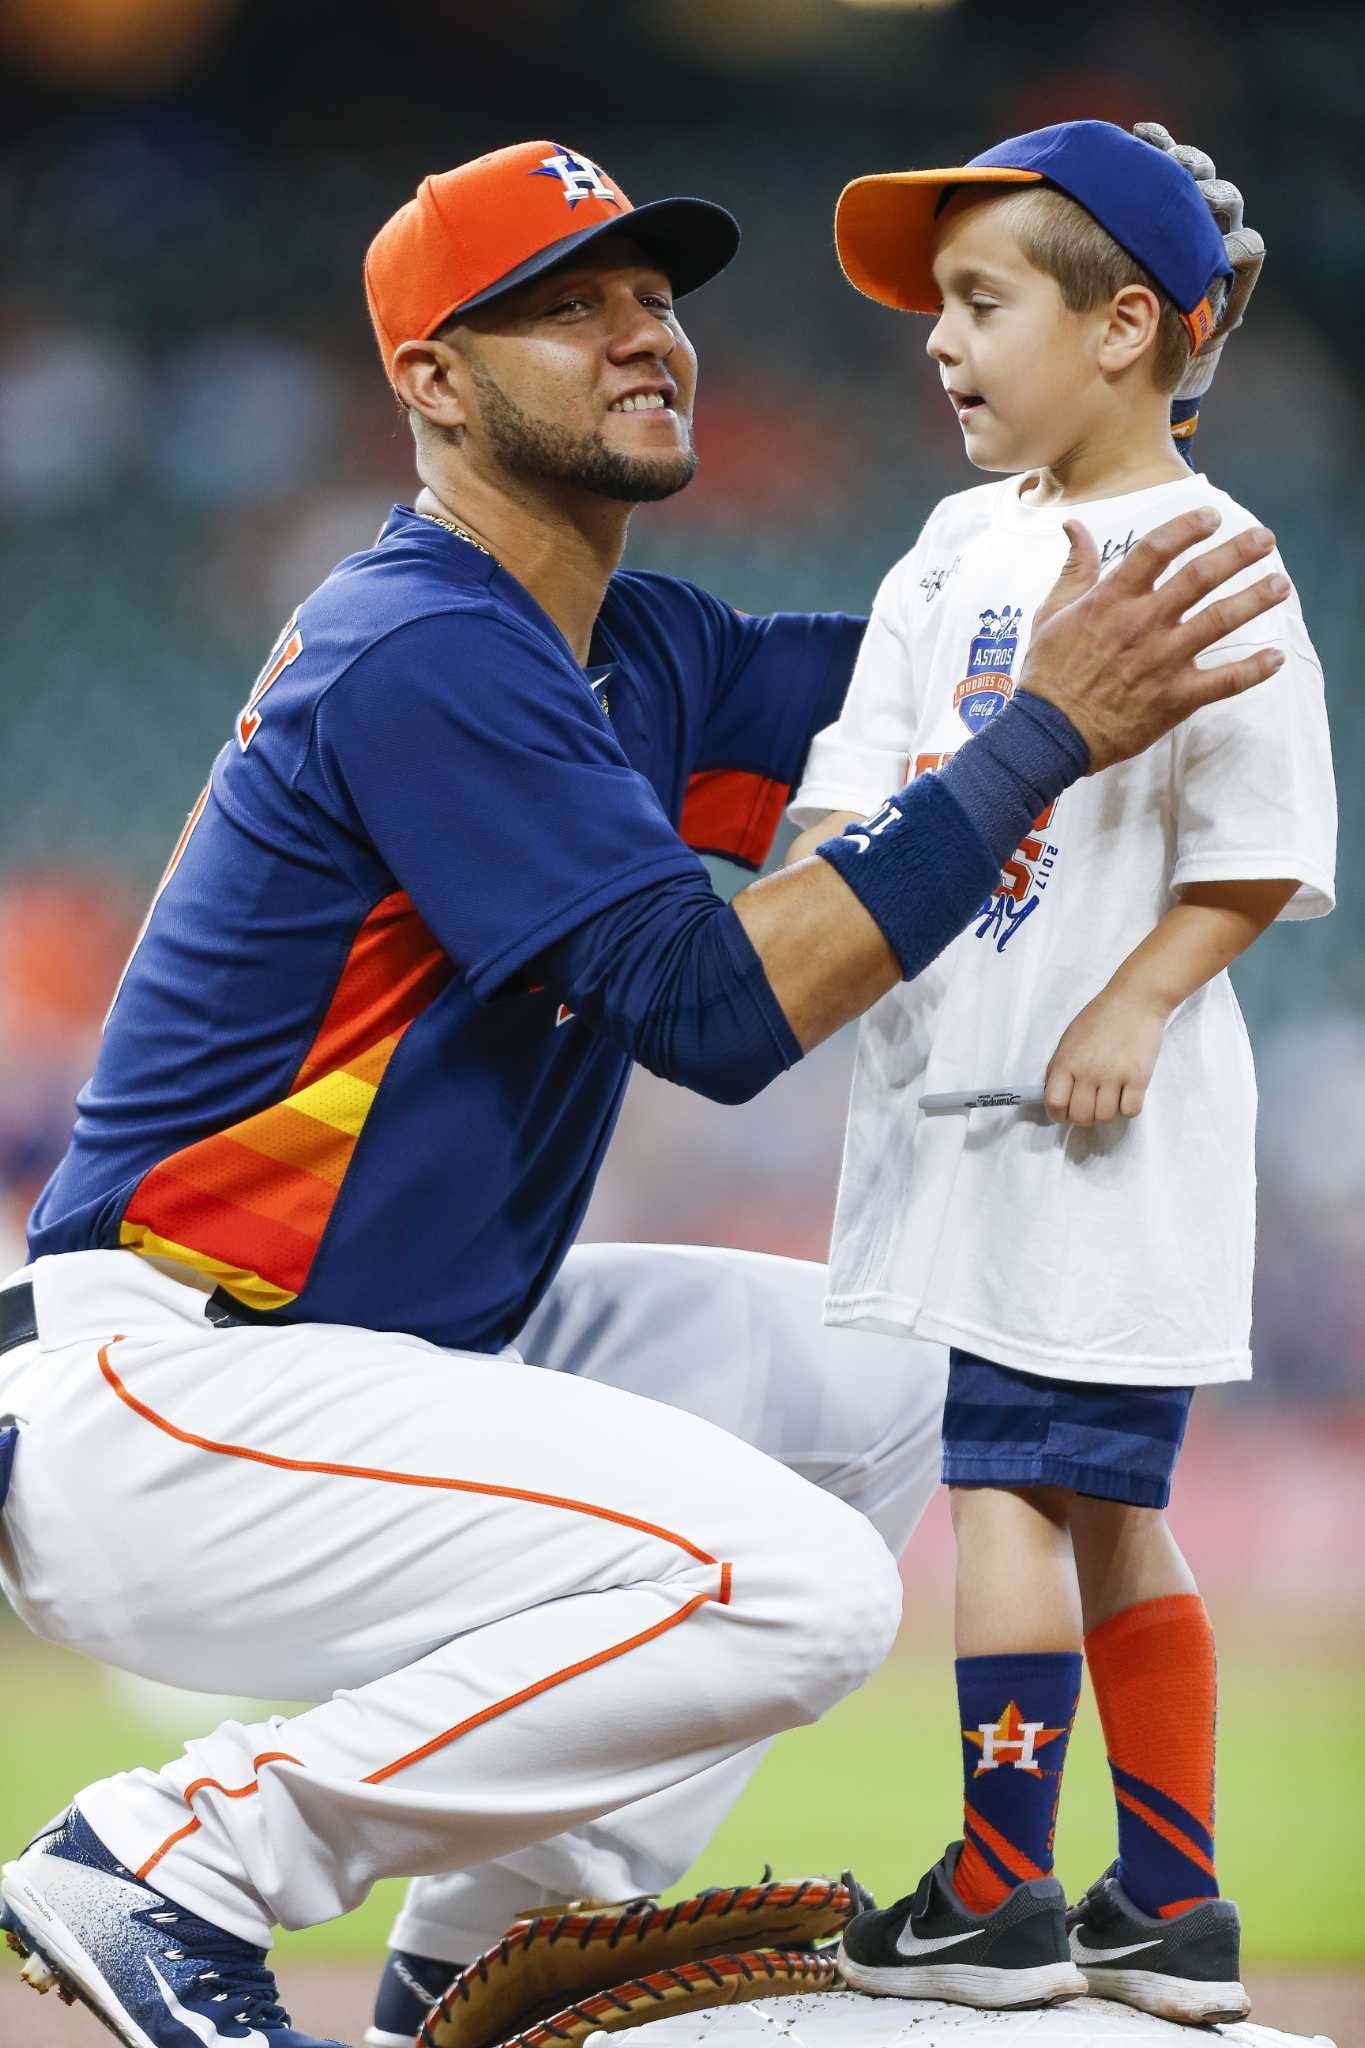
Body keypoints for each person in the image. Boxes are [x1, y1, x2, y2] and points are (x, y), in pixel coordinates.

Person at [0, 136, 1290, 2048]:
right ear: (429, 381)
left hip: (404, 1361)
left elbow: (999, 682)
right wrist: (1032, 736)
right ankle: (179, 1856)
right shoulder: (423, 642)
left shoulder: (633, 652)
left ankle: (487, 1955)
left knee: (892, 1380)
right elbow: (715, 1004)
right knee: (801, 1594)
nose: (639, 336)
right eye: (562, 304)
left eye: (654, 297)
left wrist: (1142, 387)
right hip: (177, 1391)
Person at [786, 120, 1335, 2024]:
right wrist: (825, 866)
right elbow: (857, 769)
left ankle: (1001, 1894)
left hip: (1099, 1113)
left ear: (1120, 328)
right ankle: (1166, 1906)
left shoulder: (1213, 550)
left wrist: (1136, 999)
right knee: (1102, 1495)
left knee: (1010, 1485)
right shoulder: (956, 539)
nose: (938, 340)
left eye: (975, 299)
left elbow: (1259, 838)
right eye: (935, 307)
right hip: (968, 1088)